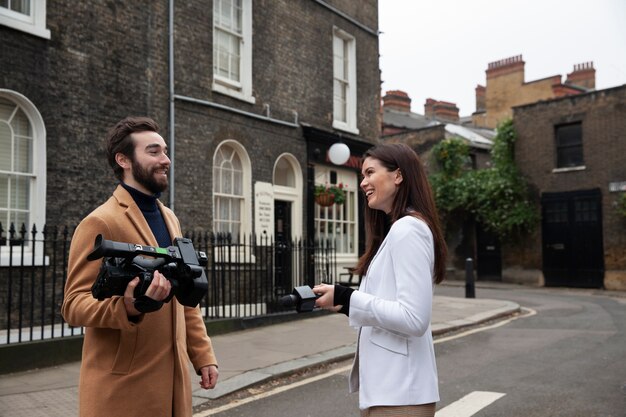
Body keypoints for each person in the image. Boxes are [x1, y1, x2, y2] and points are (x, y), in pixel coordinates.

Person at [62, 116, 218, 417]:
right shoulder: (101, 221)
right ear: (124, 160)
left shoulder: (170, 218)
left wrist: (202, 355)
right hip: (123, 389)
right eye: (154, 152)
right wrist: (129, 307)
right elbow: (73, 305)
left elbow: (186, 296)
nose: (166, 160)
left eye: (165, 151)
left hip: (173, 385)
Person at [314, 143, 447, 417]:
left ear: (398, 175)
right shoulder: (400, 229)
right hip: (390, 392)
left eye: (370, 173)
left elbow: (414, 318)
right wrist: (344, 301)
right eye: (362, 175)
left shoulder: (408, 229)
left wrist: (347, 298)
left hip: (401, 396)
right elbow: (389, 304)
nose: (363, 183)